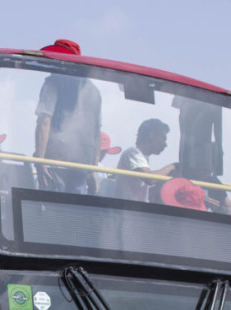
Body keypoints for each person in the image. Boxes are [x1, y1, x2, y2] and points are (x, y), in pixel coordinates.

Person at [33, 39, 102, 195]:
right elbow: (96, 132)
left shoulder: (53, 82)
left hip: (54, 161)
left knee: (50, 209)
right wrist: (94, 169)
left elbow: (44, 122)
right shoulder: (94, 91)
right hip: (83, 164)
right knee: (73, 212)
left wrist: (40, 160)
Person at [114, 118, 177, 203]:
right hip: (125, 210)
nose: (165, 144)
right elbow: (150, 179)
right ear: (152, 135)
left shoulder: (144, 158)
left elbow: (141, 193)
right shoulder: (132, 152)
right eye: (163, 138)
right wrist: (172, 167)